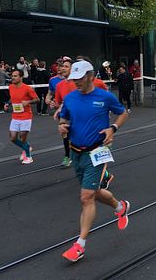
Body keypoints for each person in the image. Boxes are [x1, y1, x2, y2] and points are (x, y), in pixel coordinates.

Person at [58, 60, 130, 263]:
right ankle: (120, 207)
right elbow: (64, 119)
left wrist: (112, 128)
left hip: (97, 151)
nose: (76, 82)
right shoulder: (70, 98)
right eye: (73, 79)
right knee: (94, 192)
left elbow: (123, 112)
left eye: (79, 78)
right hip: (76, 152)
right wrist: (62, 127)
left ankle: (79, 245)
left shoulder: (104, 96)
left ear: (90, 76)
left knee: (86, 197)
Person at [5, 70, 39, 164]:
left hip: (26, 116)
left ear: (21, 77)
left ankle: (28, 156)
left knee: (23, 137)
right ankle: (27, 147)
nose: (13, 77)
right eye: (12, 76)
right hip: (15, 116)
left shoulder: (27, 88)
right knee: (13, 138)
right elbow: (12, 97)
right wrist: (8, 103)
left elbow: (37, 99)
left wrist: (28, 102)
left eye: (15, 76)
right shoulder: (11, 87)